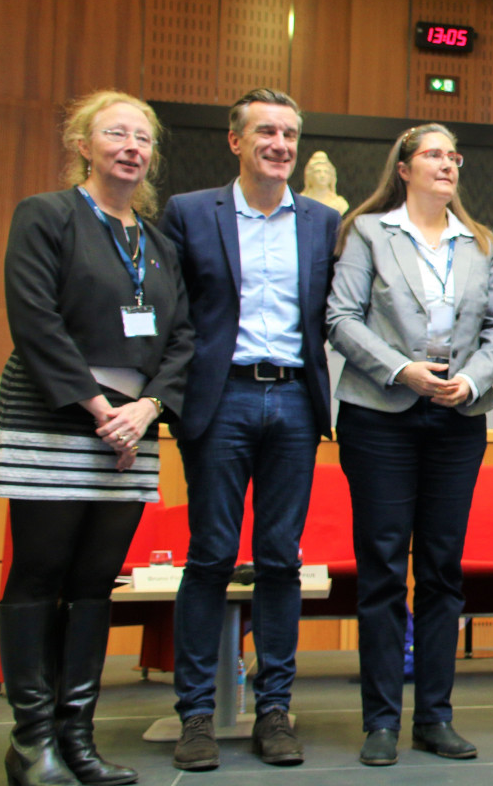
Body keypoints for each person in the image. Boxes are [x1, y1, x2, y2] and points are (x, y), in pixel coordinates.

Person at [0, 90, 192, 786]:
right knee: (40, 577)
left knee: (95, 583)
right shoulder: (46, 217)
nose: (132, 147)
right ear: (83, 143)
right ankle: (31, 740)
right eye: (117, 134)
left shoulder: (157, 239)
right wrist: (99, 405)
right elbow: (34, 318)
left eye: (143, 138)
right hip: (54, 421)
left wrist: (149, 407)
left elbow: (182, 336)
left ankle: (78, 737)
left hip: (131, 432)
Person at [161, 89, 340, 770]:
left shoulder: (323, 223)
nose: (281, 144)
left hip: (295, 401)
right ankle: (197, 716)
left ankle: (275, 710)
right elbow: (176, 316)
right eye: (266, 131)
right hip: (220, 401)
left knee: (279, 560)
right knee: (209, 556)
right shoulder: (189, 213)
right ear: (235, 141)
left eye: (290, 133)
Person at [327, 125, 493, 766]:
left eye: (454, 155)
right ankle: (381, 720)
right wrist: (401, 370)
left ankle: (434, 716)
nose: (448, 164)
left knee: (441, 569)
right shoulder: (369, 232)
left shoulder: (479, 243)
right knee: (382, 568)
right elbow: (341, 318)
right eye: (434, 154)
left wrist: (473, 380)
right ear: (403, 168)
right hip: (380, 414)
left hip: (456, 418)